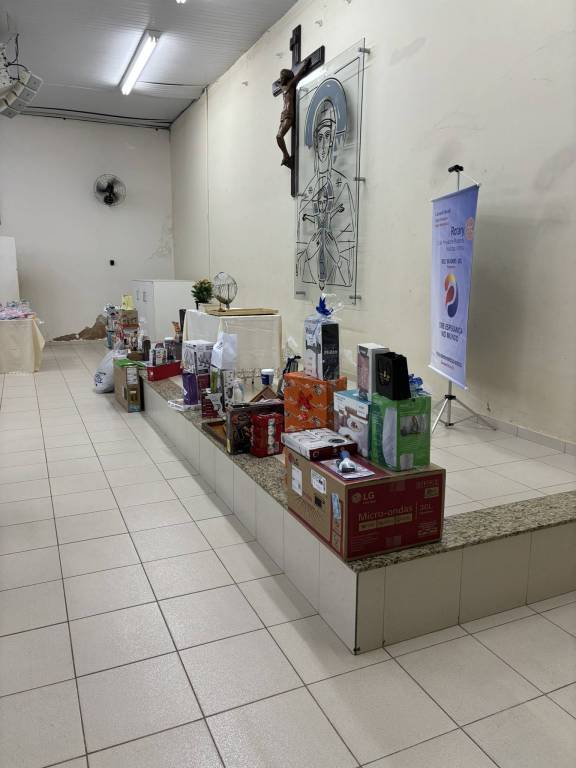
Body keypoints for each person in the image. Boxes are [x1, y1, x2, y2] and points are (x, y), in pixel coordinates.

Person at [296, 97, 356, 289]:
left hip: (334, 277)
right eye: (319, 138)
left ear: (333, 141)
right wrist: (308, 253)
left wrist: (336, 255)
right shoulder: (307, 193)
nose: (322, 145)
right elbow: (300, 258)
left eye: (328, 136)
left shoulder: (343, 186)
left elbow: (349, 252)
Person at [276, 59, 311, 168]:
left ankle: (286, 156)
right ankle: (286, 156)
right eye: (280, 78)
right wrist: (279, 83)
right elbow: (278, 85)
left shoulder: (290, 84)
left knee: (279, 136)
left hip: (289, 114)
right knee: (278, 137)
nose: (280, 79)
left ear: (286, 78)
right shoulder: (283, 88)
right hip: (283, 115)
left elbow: (297, 76)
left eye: (282, 77)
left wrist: (304, 65)